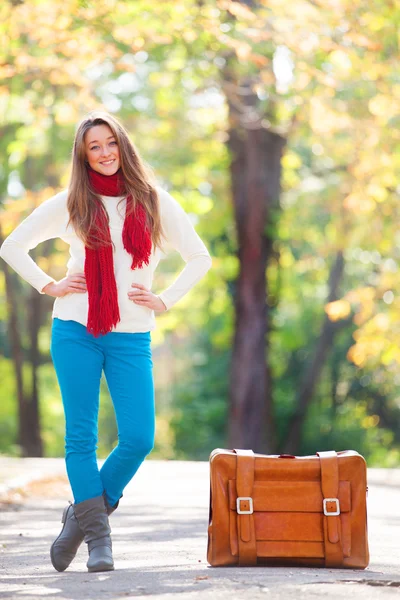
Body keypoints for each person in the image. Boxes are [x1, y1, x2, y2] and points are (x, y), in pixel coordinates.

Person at [0, 111, 212, 573]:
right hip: (76, 329)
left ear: (123, 144)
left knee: (139, 437)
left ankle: (80, 515)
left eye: (110, 142)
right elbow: (11, 246)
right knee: (81, 437)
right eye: (93, 146)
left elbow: (199, 257)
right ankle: (98, 540)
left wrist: (165, 298)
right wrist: (47, 284)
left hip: (131, 335)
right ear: (83, 155)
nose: (104, 153)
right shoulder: (71, 203)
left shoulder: (154, 202)